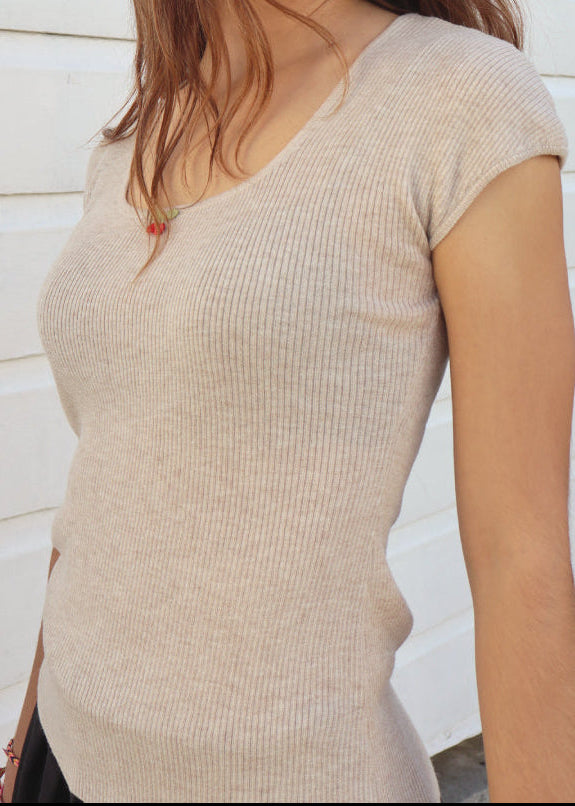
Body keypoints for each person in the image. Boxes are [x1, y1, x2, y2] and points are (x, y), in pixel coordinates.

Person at [2, 0, 575, 802]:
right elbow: (107, 472)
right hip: (61, 757)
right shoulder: (147, 126)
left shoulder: (459, 97)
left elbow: (522, 555)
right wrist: (26, 730)